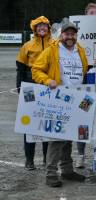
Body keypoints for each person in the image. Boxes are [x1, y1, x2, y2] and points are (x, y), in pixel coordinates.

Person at [32, 21, 88, 187]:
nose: (70, 37)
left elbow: (84, 70)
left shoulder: (81, 50)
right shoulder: (52, 50)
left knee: (70, 136)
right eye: (67, 34)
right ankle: (50, 175)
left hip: (75, 98)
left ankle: (67, 170)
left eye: (72, 34)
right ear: (61, 35)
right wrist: (48, 80)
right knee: (56, 139)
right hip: (57, 99)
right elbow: (36, 69)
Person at [16, 16, 54, 170]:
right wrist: (20, 88)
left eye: (44, 26)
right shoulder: (27, 46)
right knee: (29, 125)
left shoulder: (55, 44)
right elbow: (20, 69)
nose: (42, 29)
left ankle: (47, 158)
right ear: (34, 29)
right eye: (39, 27)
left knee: (46, 123)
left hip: (47, 86)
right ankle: (29, 160)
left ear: (49, 28)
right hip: (30, 87)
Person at [75, 1, 96, 169]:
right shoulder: (77, 36)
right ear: (86, 15)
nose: (94, 15)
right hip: (85, 86)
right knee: (83, 118)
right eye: (91, 12)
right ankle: (80, 155)